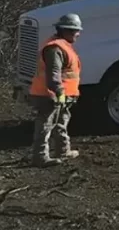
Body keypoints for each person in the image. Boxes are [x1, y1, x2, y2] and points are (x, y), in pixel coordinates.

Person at [29, 13, 83, 167]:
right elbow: (54, 75)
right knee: (45, 125)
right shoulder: (55, 49)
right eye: (74, 31)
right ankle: (40, 157)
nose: (77, 34)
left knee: (60, 122)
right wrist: (59, 93)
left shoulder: (62, 46)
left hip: (59, 95)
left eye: (77, 31)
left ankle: (63, 151)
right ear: (63, 30)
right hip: (49, 95)